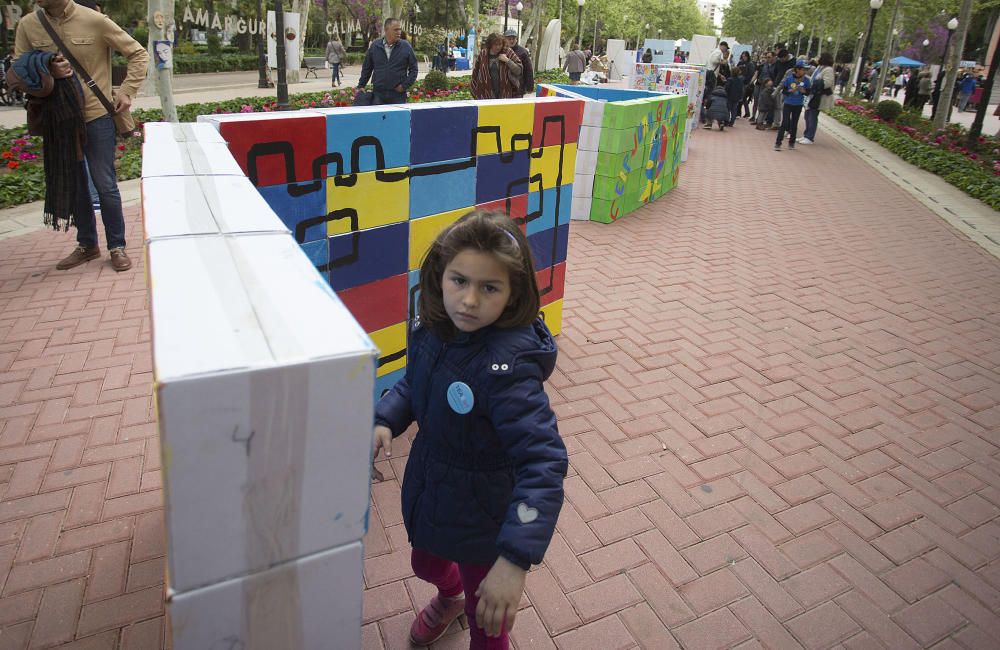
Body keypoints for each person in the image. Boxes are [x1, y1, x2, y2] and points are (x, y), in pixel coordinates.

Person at [373, 210, 566, 650]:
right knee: (425, 562)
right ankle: (450, 595)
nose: (470, 301)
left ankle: (470, 606)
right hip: (434, 486)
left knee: (489, 624)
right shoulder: (433, 330)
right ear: (440, 275)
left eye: (490, 287)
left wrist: (514, 561)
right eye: (460, 281)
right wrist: (386, 417)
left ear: (513, 293)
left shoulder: (510, 370)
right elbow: (414, 383)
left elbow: (543, 461)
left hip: (488, 515)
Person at [16, 0, 147, 273]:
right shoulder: (28, 24)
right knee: (74, 184)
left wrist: (126, 91)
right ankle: (87, 245)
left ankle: (116, 245)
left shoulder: (94, 20)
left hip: (96, 115)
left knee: (105, 184)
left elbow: (137, 53)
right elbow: (18, 70)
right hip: (59, 118)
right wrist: (45, 69)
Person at [358, 17, 418, 105]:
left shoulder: (406, 46)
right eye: (396, 30)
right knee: (379, 118)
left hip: (398, 95)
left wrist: (404, 86)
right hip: (378, 94)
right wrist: (361, 85)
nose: (399, 32)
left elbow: (414, 69)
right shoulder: (375, 46)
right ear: (386, 30)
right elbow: (367, 68)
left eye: (399, 29)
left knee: (396, 118)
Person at [470, 33, 523, 100]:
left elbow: (518, 70)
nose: (498, 47)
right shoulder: (483, 54)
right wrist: (474, 90)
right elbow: (475, 73)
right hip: (485, 93)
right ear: (490, 44)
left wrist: (507, 60)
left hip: (505, 93)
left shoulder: (508, 52)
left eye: (500, 44)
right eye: (495, 45)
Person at [799, 51, 834, 145]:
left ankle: (810, 137)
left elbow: (828, 83)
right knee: (807, 115)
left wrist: (816, 84)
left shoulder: (828, 70)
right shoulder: (819, 68)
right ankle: (806, 134)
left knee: (812, 116)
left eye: (820, 56)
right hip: (812, 94)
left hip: (818, 96)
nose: (817, 58)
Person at [774, 60, 810, 151]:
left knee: (794, 123)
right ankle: (778, 143)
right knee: (785, 122)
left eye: (806, 69)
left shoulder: (806, 80)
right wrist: (790, 91)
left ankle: (791, 142)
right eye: (803, 69)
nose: (804, 71)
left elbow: (808, 92)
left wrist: (803, 91)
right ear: (797, 69)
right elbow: (784, 91)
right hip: (788, 103)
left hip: (798, 104)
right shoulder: (789, 78)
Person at [504, 29, 533, 95]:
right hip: (504, 87)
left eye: (513, 38)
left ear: (516, 39)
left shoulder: (523, 52)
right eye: (509, 38)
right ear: (505, 39)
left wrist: (529, 87)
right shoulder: (501, 50)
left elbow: (528, 70)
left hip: (519, 87)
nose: (511, 41)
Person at [771, 49, 793, 130]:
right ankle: (776, 123)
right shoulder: (779, 62)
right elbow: (776, 72)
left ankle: (785, 125)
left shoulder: (793, 63)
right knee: (777, 106)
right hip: (777, 84)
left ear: (786, 56)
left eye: (782, 59)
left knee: (784, 108)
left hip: (787, 88)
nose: (780, 60)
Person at [750, 50, 775, 124]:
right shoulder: (760, 66)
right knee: (756, 101)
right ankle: (753, 116)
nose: (765, 59)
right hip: (758, 84)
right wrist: (751, 83)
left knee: (762, 102)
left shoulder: (773, 66)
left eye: (767, 57)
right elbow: (756, 74)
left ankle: (759, 119)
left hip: (766, 86)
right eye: (763, 57)